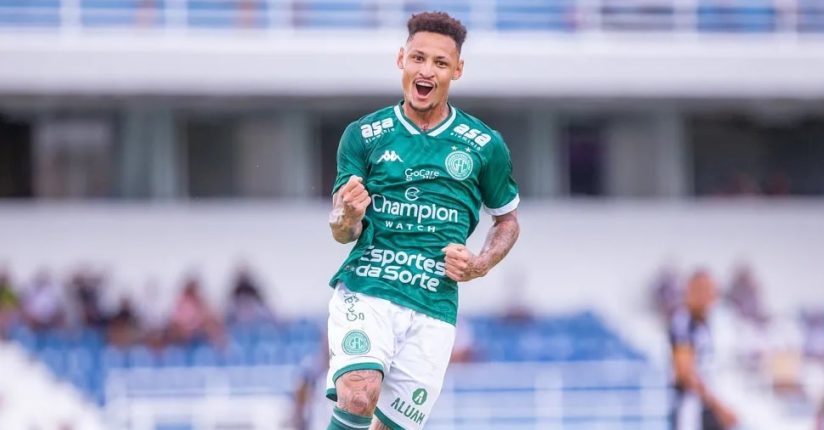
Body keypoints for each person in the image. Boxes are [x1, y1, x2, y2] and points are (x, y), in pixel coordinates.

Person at [325, 11, 520, 430]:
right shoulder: (364, 134)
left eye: (440, 62)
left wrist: (481, 263)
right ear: (402, 59)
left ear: (457, 70)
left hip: (434, 304)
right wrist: (347, 214)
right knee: (359, 393)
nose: (426, 70)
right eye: (418, 58)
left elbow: (507, 221)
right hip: (369, 287)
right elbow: (342, 230)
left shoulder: (485, 145)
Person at [669, 270, 739, 430]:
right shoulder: (683, 322)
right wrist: (718, 407)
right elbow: (685, 374)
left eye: (710, 290)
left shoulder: (710, 324)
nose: (706, 296)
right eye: (700, 290)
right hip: (692, 409)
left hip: (709, 405)